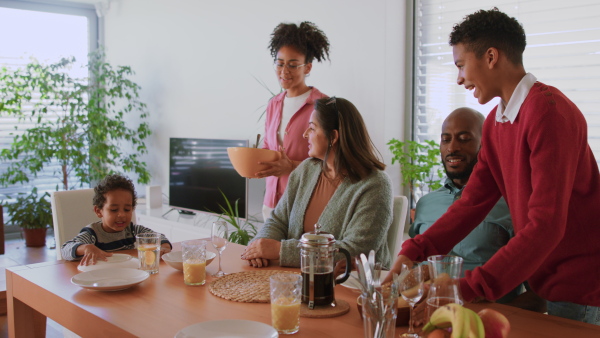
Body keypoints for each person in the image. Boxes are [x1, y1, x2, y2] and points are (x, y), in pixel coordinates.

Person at [389, 8, 600, 324]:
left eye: (461, 65)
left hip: (583, 291)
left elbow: (547, 225)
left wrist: (468, 287)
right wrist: (414, 250)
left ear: (490, 57)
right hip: (552, 286)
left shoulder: (549, 113)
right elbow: (471, 204)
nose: (459, 77)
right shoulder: (496, 123)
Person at [409, 107, 544, 312]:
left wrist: (491, 314)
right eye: (446, 139)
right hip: (428, 317)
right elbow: (413, 272)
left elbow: (539, 296)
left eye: (464, 139)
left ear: (486, 145)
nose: (452, 147)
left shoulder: (512, 203)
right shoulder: (425, 204)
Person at [242, 97, 393, 268]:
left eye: (312, 128)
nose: (305, 134)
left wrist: (281, 250)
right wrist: (260, 247)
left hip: (352, 286)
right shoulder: (306, 169)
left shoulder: (375, 185)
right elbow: (278, 220)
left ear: (333, 137)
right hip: (297, 279)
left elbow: (356, 250)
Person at [256, 21, 330, 222]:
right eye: (280, 63)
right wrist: (253, 162)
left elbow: (332, 160)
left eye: (292, 64)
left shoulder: (323, 105)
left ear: (307, 67)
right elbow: (268, 146)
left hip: (305, 203)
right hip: (272, 204)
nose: (284, 71)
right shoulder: (274, 104)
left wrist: (292, 166)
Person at [61, 174, 172, 265]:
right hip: (103, 277)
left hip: (127, 274)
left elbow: (157, 237)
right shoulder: (92, 233)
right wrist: (86, 248)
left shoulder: (133, 230)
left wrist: (164, 246)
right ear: (99, 211)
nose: (121, 215)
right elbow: (65, 249)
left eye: (127, 209)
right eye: (114, 210)